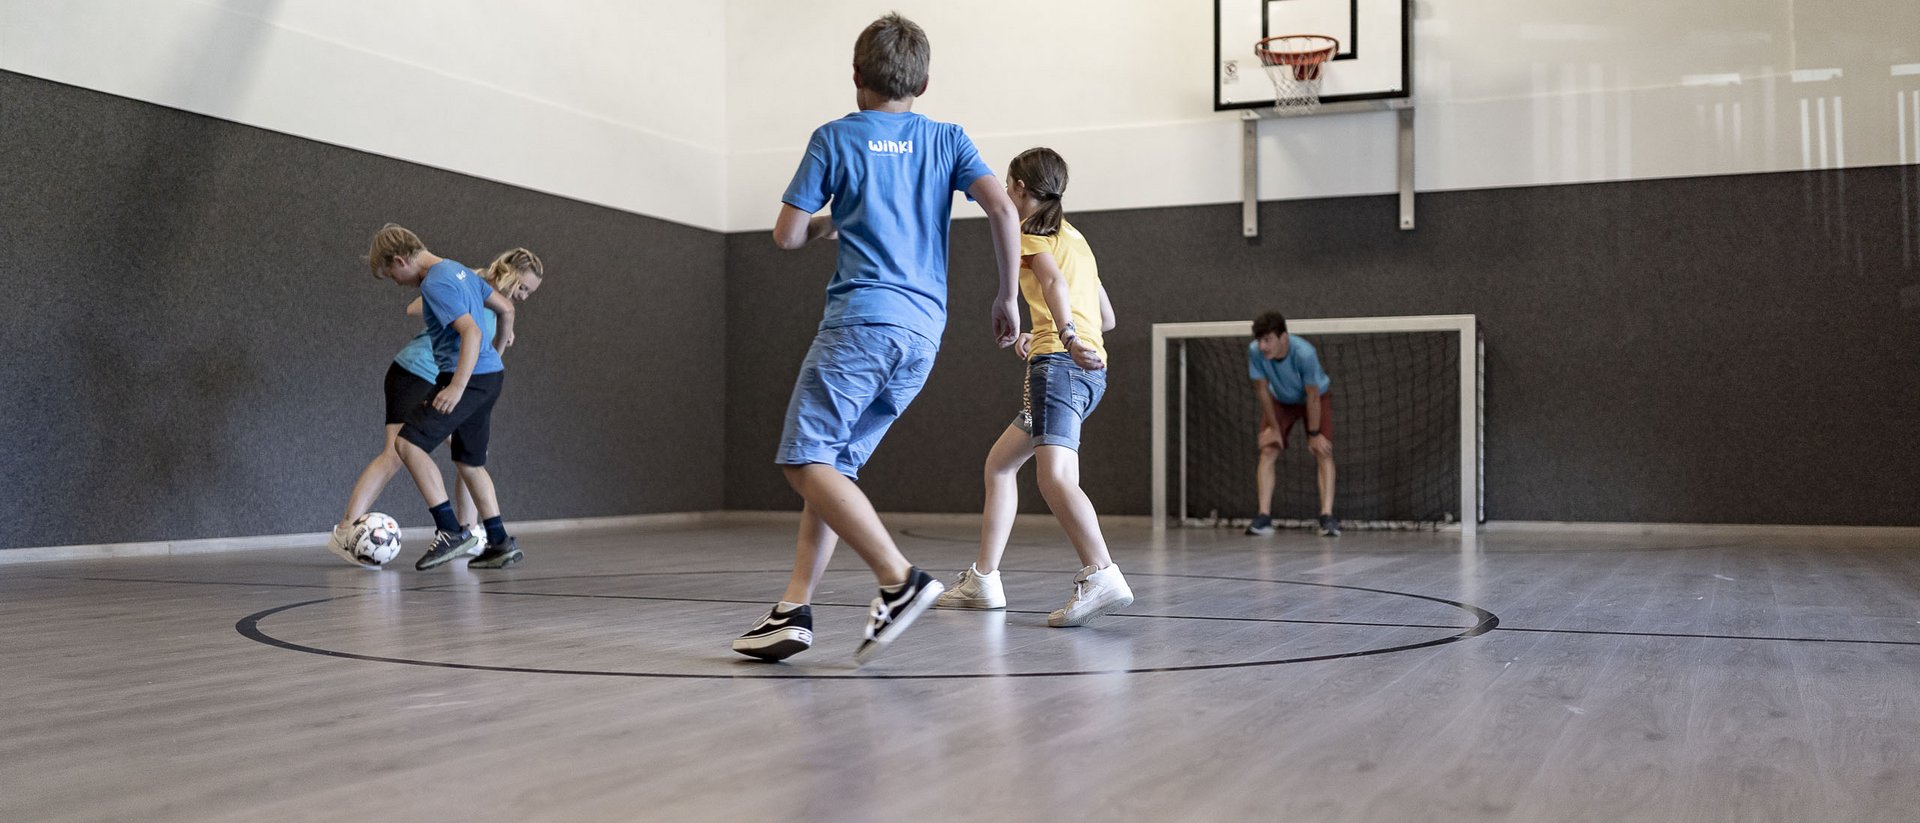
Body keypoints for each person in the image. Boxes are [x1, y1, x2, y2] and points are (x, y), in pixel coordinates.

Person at [730, 12, 1023, 664]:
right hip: (923, 333)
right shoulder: (946, 138)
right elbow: (1003, 207)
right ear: (923, 80)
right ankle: (793, 609)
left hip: (862, 323)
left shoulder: (835, 138)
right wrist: (1006, 296)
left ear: (856, 76)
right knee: (832, 467)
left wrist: (828, 225)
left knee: (803, 460)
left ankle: (899, 578)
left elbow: (785, 234)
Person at [936, 147, 1133, 627]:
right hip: (1089, 372)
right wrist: (1048, 328)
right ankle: (984, 579)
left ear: (1019, 188)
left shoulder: (1030, 233)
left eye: (1007, 184)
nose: (1005, 192)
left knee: (1056, 478)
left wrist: (1062, 334)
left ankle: (1102, 572)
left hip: (1059, 368)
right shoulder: (1076, 238)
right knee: (1001, 465)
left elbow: (1051, 283)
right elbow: (1105, 316)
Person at [327, 247, 545, 568]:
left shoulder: (497, 306)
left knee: (464, 455)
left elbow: (499, 321)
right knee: (397, 452)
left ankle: (469, 534)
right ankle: (346, 530)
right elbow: (415, 306)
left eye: (529, 292)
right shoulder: (466, 279)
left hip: (451, 381)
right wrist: (449, 305)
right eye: (523, 287)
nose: (524, 296)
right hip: (417, 371)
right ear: (508, 274)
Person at [1244, 311, 1340, 537]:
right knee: (1268, 449)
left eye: (1268, 340)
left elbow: (1313, 394)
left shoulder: (1304, 353)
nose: (1263, 346)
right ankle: (1264, 517)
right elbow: (1261, 390)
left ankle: (1327, 516)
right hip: (1281, 400)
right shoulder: (1255, 352)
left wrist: (1314, 433)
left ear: (1283, 338)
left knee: (1323, 450)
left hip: (1314, 398)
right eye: (1260, 340)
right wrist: (1275, 429)